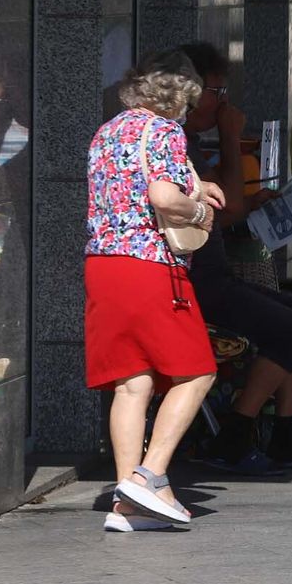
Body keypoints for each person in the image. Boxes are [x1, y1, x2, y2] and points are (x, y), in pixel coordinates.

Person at [179, 43, 292, 472]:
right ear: (192, 93)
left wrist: (255, 204)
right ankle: (236, 431)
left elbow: (227, 206)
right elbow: (226, 205)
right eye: (218, 91)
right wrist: (231, 137)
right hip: (198, 285)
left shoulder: (189, 143)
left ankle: (284, 431)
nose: (224, 102)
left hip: (215, 274)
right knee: (289, 331)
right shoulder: (178, 145)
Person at [84, 51, 224, 532]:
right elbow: (162, 198)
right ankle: (150, 474)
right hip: (150, 267)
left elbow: (131, 184)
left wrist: (195, 183)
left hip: (103, 267)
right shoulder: (164, 131)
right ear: (182, 97)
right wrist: (201, 211)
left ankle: (128, 498)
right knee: (198, 372)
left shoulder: (108, 132)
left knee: (133, 383)